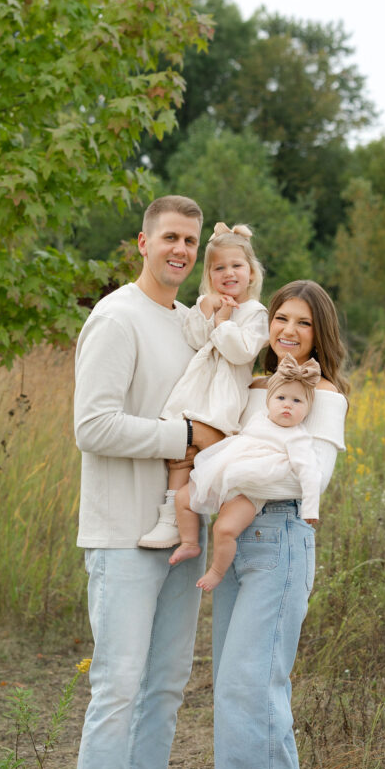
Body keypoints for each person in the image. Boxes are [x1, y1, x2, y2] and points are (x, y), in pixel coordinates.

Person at [69, 195, 225, 769]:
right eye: (170, 236)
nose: (181, 249)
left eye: (190, 240)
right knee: (117, 692)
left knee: (163, 690)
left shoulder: (184, 324)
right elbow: (92, 425)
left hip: (181, 533)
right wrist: (183, 435)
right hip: (122, 535)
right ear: (141, 241)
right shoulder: (116, 315)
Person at [212, 280, 349, 769]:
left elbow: (293, 474)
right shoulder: (256, 388)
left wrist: (229, 465)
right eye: (280, 318)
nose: (288, 330)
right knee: (235, 685)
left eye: (302, 322)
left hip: (282, 543)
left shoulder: (324, 396)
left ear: (320, 333)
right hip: (238, 546)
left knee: (253, 684)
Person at [138, 222, 268, 549]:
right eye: (218, 268)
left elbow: (241, 352)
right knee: (181, 455)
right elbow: (194, 340)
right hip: (196, 395)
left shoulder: (255, 312)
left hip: (222, 402)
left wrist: (223, 322)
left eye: (236, 266)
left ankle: (185, 522)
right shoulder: (207, 304)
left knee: (193, 454)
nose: (228, 273)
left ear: (251, 273)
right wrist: (206, 311)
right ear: (208, 275)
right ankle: (175, 523)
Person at [170, 354, 322, 589]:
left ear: (308, 409)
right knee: (182, 498)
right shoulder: (259, 418)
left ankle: (216, 571)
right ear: (268, 401)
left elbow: (309, 472)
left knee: (225, 528)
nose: (287, 405)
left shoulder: (297, 437)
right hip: (223, 475)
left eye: (297, 401)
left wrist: (311, 507)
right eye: (281, 398)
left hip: (249, 490)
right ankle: (190, 542)